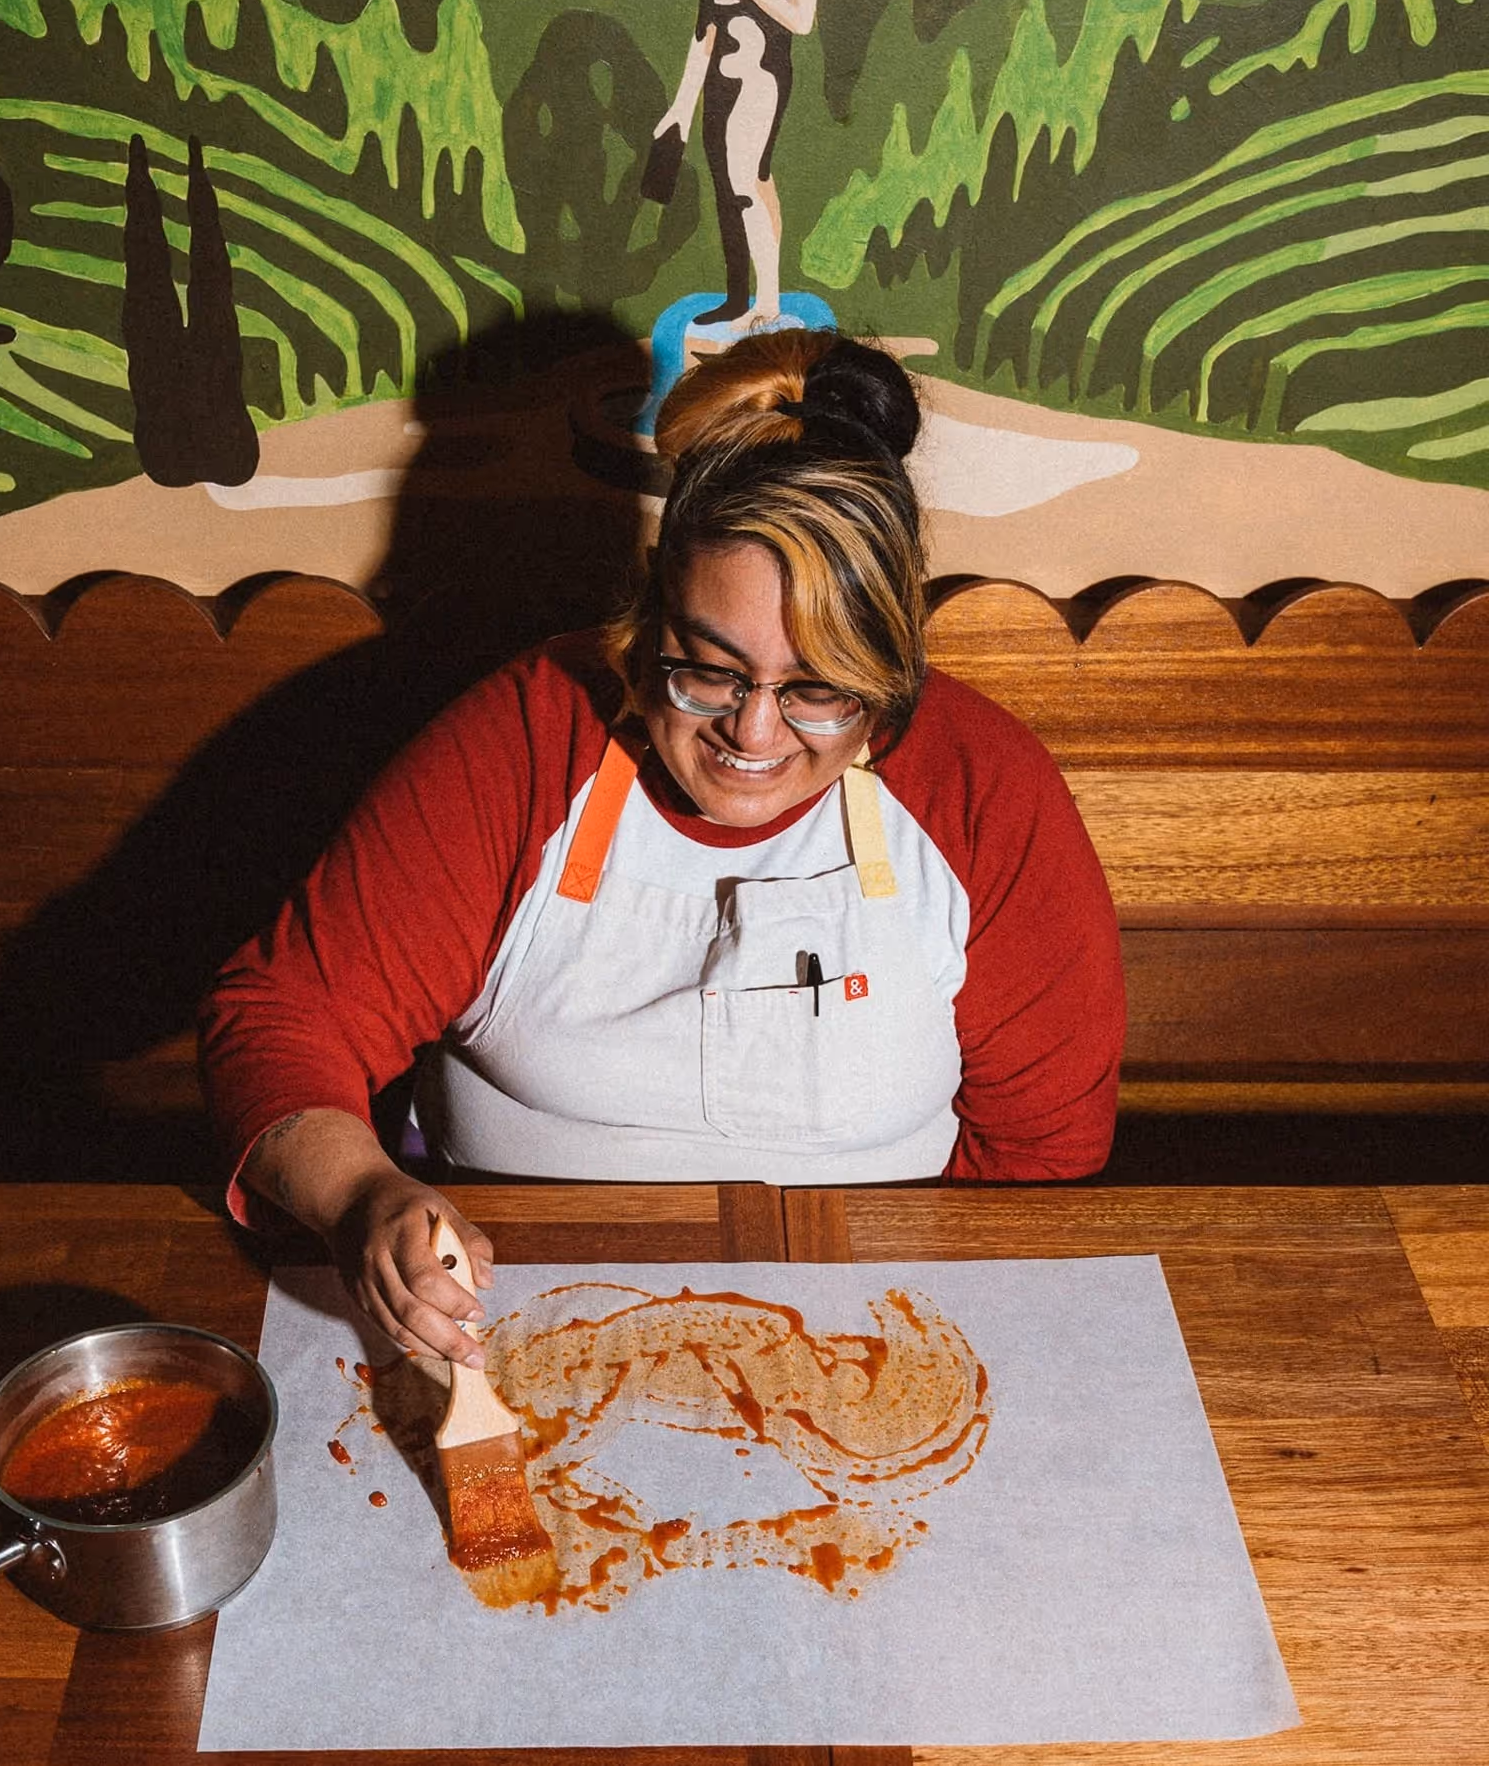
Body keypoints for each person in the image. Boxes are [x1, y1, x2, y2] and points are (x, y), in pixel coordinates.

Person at [199, 330, 1124, 1372]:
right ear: (649, 622)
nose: (755, 735)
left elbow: (1044, 1157)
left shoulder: (981, 784)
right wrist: (364, 1198)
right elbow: (285, 1012)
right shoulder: (529, 736)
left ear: (890, 673)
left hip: (878, 1325)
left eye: (819, 688)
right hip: (507, 1325)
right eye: (709, 671)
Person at [645, 0, 819, 328]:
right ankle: (737, 299)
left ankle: (768, 302)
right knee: (726, 188)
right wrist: (681, 106)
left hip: (761, 77)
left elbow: (801, 21)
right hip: (718, 83)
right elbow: (704, 34)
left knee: (748, 185)